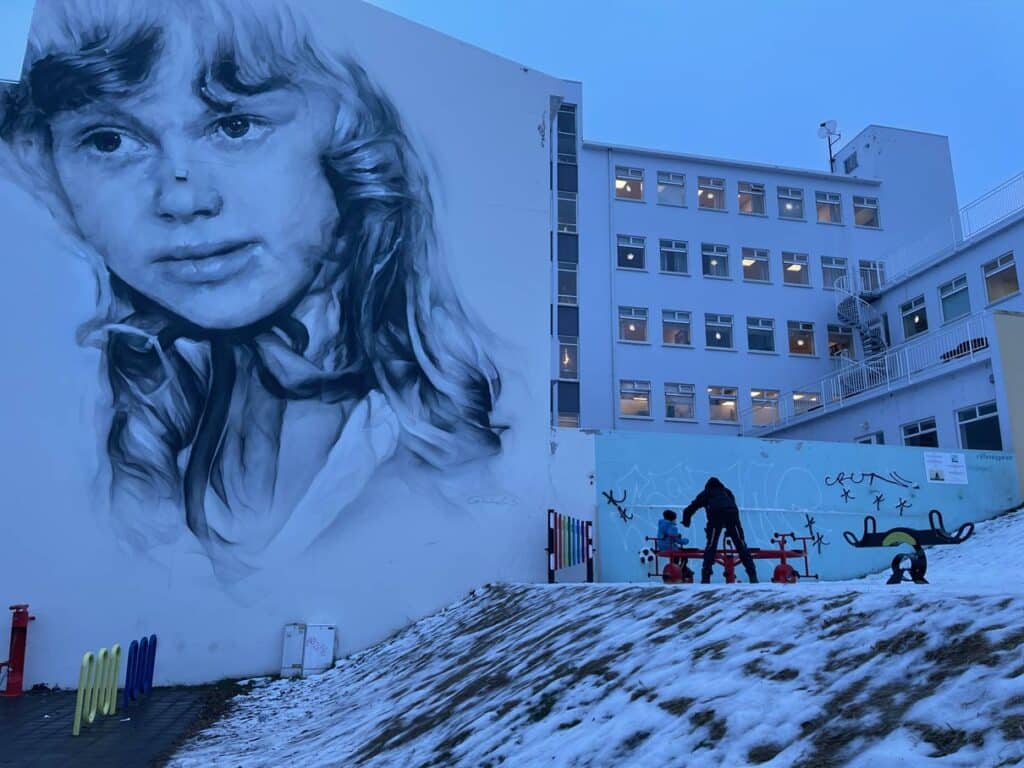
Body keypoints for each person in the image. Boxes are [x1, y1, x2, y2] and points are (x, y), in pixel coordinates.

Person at [0, 0, 504, 575]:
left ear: (347, 149)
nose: (182, 199)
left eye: (234, 127)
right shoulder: (120, 407)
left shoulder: (435, 451)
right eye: (110, 141)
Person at [682, 477, 758, 584]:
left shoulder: (706, 493)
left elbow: (690, 508)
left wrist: (686, 522)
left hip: (715, 517)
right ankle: (752, 575)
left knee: (711, 546)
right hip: (732, 517)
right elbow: (733, 507)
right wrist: (730, 530)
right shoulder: (727, 492)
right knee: (741, 545)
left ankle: (706, 576)